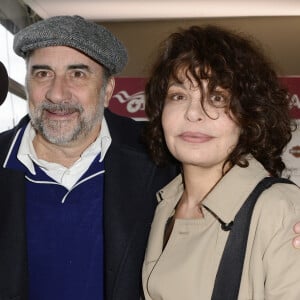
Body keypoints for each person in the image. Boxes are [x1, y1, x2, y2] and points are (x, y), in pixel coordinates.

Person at [0, 15, 177, 300]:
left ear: (107, 91)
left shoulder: (160, 158)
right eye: (43, 74)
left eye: (78, 74)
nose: (57, 94)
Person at [142, 25, 300, 299]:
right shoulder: (165, 203)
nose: (193, 113)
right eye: (178, 96)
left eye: (217, 98)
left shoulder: (279, 210)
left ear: (249, 116)